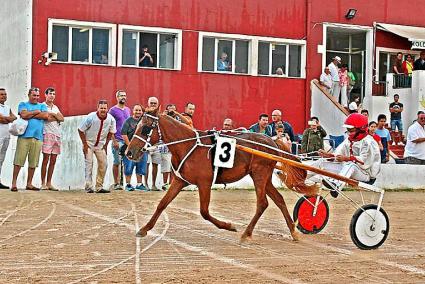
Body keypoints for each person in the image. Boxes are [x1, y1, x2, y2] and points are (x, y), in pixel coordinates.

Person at [314, 113, 381, 198]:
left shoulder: (368, 142)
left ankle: (337, 185)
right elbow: (338, 154)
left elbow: (364, 161)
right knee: (322, 162)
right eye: (347, 130)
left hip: (366, 174)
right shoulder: (348, 140)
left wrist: (346, 158)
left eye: (351, 130)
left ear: (361, 129)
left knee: (350, 164)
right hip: (349, 170)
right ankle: (302, 177)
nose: (349, 133)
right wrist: (328, 156)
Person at [11, 88, 49, 192]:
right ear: (29, 95)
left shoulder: (43, 105)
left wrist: (30, 114)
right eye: (34, 95)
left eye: (37, 95)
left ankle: (29, 183)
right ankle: (14, 183)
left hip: (38, 137)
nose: (36, 97)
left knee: (33, 162)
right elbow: (23, 115)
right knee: (19, 161)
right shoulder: (23, 104)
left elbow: (45, 115)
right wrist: (37, 112)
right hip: (24, 137)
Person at [78, 100, 116, 193]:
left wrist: (106, 145)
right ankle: (88, 186)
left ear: (107, 109)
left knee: (104, 164)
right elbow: (80, 130)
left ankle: (99, 186)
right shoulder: (90, 117)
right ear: (97, 108)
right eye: (101, 108)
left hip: (100, 145)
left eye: (104, 108)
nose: (103, 110)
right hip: (89, 144)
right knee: (89, 164)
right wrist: (85, 144)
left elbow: (111, 132)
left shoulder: (111, 119)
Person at [40, 87, 64, 191]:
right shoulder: (42, 106)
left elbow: (62, 118)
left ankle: (49, 183)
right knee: (46, 159)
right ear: (45, 95)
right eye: (50, 93)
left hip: (57, 135)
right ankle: (43, 183)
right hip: (47, 134)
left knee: (53, 160)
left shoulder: (55, 107)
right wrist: (55, 117)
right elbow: (46, 118)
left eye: (53, 94)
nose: (52, 95)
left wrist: (53, 114)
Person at [121, 104, 148, 191]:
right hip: (130, 147)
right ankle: (128, 184)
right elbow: (123, 134)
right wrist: (129, 146)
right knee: (128, 166)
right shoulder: (128, 121)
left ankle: (139, 184)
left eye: (140, 110)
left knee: (141, 165)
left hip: (141, 148)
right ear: (133, 111)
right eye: (136, 110)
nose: (138, 112)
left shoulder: (144, 121)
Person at [109, 90, 131, 190]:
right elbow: (109, 126)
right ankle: (116, 183)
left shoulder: (128, 110)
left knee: (127, 162)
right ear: (117, 97)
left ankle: (127, 183)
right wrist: (114, 141)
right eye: (121, 95)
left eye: (125, 96)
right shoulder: (112, 110)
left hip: (127, 140)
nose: (123, 97)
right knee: (117, 162)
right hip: (117, 140)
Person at [0, 88, 16, 189]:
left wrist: (6, 119)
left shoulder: (7, 107)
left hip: (6, 136)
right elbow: (1, 119)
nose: (4, 96)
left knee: (1, 159)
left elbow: (14, 117)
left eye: (5, 94)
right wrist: (7, 119)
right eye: (1, 94)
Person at [145, 97, 161, 191]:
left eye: (155, 103)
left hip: (156, 144)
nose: (153, 105)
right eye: (151, 103)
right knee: (146, 165)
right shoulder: (145, 114)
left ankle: (154, 185)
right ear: (148, 103)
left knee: (155, 164)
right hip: (146, 144)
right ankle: (146, 184)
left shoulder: (159, 115)